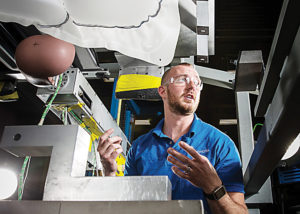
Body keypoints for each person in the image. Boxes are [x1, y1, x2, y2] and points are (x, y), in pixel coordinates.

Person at [98, 63, 248, 214]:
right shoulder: (139, 147)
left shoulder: (221, 143)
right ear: (162, 91)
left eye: (197, 82)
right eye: (182, 80)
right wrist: (110, 173)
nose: (192, 87)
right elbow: (127, 207)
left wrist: (213, 187)